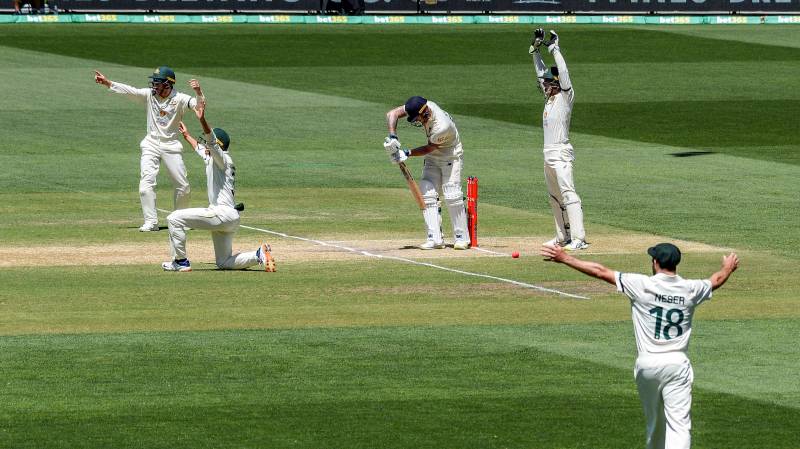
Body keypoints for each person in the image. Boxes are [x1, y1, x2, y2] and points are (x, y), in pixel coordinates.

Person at [540, 242, 740, 449]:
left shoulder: (641, 284)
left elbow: (600, 272)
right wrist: (728, 268)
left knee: (655, 423)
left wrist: (565, 258)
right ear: (676, 264)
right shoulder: (691, 289)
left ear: (655, 262)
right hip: (677, 363)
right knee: (679, 425)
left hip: (648, 364)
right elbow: (715, 280)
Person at [163, 84, 276, 273]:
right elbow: (201, 149)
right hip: (230, 217)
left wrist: (202, 119)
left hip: (221, 214)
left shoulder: (222, 158)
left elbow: (210, 142)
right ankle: (258, 255)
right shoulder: (214, 159)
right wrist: (187, 136)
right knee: (223, 262)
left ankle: (181, 262)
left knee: (174, 218)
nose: (204, 144)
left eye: (210, 143)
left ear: (218, 145)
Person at [94, 67, 202, 232]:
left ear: (168, 84)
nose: (154, 85)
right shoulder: (150, 95)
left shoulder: (180, 98)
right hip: (151, 144)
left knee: (183, 185)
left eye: (158, 82)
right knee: (146, 184)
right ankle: (151, 223)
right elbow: (131, 91)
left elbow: (198, 106)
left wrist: (198, 92)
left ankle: (180, 220)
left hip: (171, 145)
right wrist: (108, 83)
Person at [384, 96, 470, 250]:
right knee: (427, 191)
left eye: (417, 118)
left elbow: (430, 147)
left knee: (451, 193)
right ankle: (434, 239)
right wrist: (392, 136)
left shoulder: (442, 126)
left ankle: (461, 238)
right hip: (433, 156)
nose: (417, 122)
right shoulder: (420, 105)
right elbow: (392, 114)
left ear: (425, 113)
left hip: (451, 156)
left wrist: (407, 152)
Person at [530, 29, 589, 250]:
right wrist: (535, 50)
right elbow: (541, 72)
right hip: (548, 153)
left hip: (562, 152)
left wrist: (554, 49)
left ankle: (579, 239)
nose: (543, 85)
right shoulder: (550, 98)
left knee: (568, 193)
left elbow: (562, 72)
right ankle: (562, 237)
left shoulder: (565, 96)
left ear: (555, 84)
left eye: (547, 83)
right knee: (554, 196)